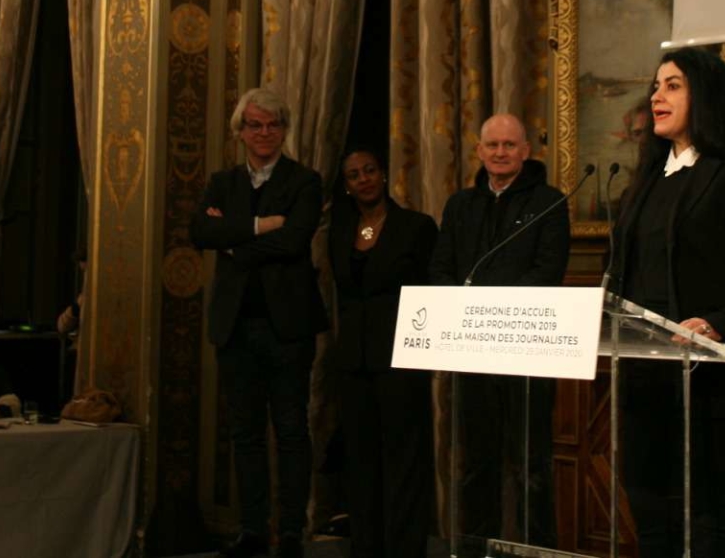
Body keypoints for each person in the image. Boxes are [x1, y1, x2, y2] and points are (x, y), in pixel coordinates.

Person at [613, 46, 725, 558]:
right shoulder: (646, 181)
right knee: (649, 513)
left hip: (711, 381)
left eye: (673, 86)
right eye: (655, 86)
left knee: (706, 520)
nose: (657, 96)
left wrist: (716, 324)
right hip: (646, 379)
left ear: (706, 96)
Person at [189, 87, 326, 558]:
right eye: (255, 125)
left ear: (284, 130)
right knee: (245, 434)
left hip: (288, 327)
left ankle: (289, 533)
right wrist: (258, 225)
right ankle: (252, 531)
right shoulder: (221, 182)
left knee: (291, 432)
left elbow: (294, 241)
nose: (264, 133)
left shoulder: (305, 181)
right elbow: (199, 232)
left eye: (273, 125)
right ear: (240, 131)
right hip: (234, 326)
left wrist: (232, 240)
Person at [429, 113, 570, 548]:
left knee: (531, 465)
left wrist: (492, 308)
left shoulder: (549, 201)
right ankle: (475, 549)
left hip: (527, 351)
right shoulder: (460, 205)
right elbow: (441, 269)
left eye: (509, 145)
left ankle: (537, 552)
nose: (500, 152)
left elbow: (548, 271)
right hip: (471, 352)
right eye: (492, 145)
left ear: (526, 151)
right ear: (479, 151)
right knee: (477, 463)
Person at [329, 146, 438, 558]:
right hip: (353, 362)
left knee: (404, 461)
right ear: (347, 185)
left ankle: (405, 550)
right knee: (360, 461)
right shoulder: (341, 231)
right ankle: (366, 547)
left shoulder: (416, 227)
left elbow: (432, 290)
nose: (364, 179)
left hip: (401, 358)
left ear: (383, 174)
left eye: (370, 170)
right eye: (354, 175)